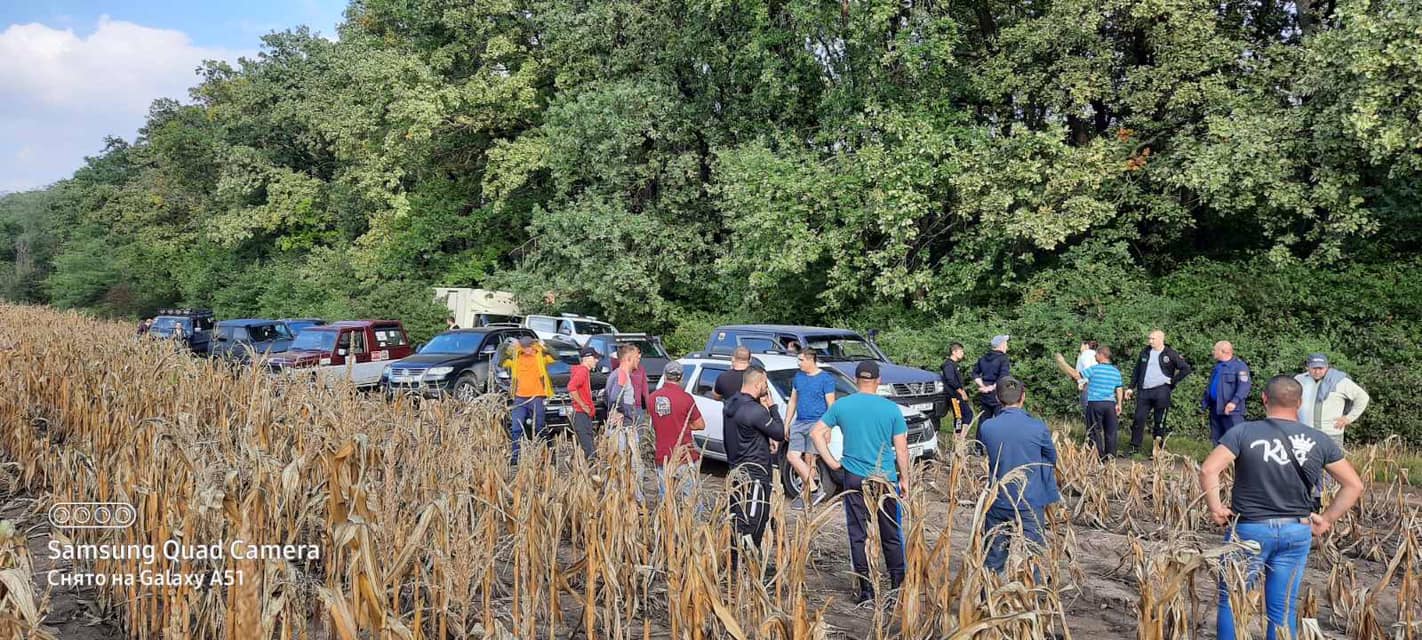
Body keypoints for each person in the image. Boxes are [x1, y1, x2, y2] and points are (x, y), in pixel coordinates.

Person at [1200, 376, 1363, 640]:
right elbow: (1353, 485)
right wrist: (1327, 519)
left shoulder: (1243, 432)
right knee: (1282, 609)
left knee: (1232, 600)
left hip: (1249, 532)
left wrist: (1216, 508)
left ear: (1264, 398)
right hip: (1295, 531)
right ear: (1299, 403)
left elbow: (1208, 469)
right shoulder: (1318, 439)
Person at [810, 361, 909, 605]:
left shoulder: (843, 405)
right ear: (879, 381)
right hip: (884, 478)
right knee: (891, 534)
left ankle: (866, 590)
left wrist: (832, 463)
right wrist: (905, 478)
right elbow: (902, 449)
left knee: (858, 533)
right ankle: (898, 587)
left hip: (853, 476)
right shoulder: (891, 409)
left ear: (856, 380)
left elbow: (815, 433)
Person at [976, 377, 1061, 573]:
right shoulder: (1038, 427)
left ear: (997, 398)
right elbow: (1050, 458)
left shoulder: (987, 427)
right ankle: (1036, 598)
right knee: (1033, 555)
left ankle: (987, 598)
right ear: (1023, 397)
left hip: (998, 500)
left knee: (994, 556)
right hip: (1030, 501)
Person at [724, 367, 785, 572]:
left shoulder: (731, 403)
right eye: (765, 385)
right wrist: (773, 407)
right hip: (755, 474)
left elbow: (748, 432)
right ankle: (747, 564)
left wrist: (764, 439)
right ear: (759, 384)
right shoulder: (756, 410)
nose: (766, 389)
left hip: (736, 470)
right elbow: (779, 432)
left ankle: (736, 561)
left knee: (737, 516)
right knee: (754, 519)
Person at [1125, 330, 1193, 455]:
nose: (1150, 341)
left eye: (1153, 339)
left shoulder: (1170, 353)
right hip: (1144, 391)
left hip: (1161, 390)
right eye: (1149, 338)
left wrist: (1172, 382)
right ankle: (1134, 448)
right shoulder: (1145, 352)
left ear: (1161, 339)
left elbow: (1185, 369)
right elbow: (1137, 371)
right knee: (1138, 419)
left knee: (1159, 421)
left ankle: (1157, 450)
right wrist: (1130, 387)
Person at [648, 361, 705, 502]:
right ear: (681, 377)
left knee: (665, 499)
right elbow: (700, 425)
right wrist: (683, 425)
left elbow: (657, 421)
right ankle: (693, 524)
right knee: (691, 500)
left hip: (663, 455)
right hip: (685, 456)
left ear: (665, 375)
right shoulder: (686, 398)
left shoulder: (652, 398)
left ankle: (665, 523)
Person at [785, 349, 836, 507]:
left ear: (810, 360)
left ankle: (806, 495)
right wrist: (787, 423)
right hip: (800, 422)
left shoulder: (825, 379)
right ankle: (814, 490)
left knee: (810, 458)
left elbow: (831, 405)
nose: (798, 363)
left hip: (817, 423)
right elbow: (793, 401)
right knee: (793, 456)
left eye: (801, 360)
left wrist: (827, 428)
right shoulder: (798, 377)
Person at [1057, 347, 1124, 460]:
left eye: (1096, 354)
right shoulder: (1115, 371)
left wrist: (1062, 363)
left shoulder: (1094, 369)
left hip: (1095, 403)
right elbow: (1119, 389)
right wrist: (1119, 404)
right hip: (1110, 405)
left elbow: (1076, 375)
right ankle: (1111, 457)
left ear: (1102, 355)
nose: (1094, 356)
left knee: (1094, 430)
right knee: (1111, 431)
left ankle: (1098, 457)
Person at [1294, 353, 1369, 450]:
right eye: (1314, 368)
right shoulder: (1299, 379)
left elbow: (1362, 397)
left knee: (1333, 464)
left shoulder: (1340, 381)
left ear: (1327, 367)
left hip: (1331, 433)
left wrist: (1349, 418)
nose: (1317, 372)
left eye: (1320, 368)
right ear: (1307, 367)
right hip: (1305, 433)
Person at [606, 344, 652, 497]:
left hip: (621, 428)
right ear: (628, 358)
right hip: (623, 429)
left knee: (624, 466)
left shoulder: (617, 373)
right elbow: (614, 397)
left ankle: (622, 498)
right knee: (633, 466)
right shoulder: (622, 374)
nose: (638, 361)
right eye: (637, 358)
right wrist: (621, 412)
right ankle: (634, 500)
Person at [501, 336, 555, 464]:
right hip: (519, 398)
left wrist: (544, 344)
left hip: (537, 397)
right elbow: (500, 361)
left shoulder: (541, 357)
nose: (528, 349)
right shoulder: (516, 359)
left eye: (529, 346)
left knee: (539, 427)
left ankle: (549, 453)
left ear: (533, 345)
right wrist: (508, 347)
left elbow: (556, 356)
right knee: (516, 428)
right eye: (525, 347)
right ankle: (515, 457)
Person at [1204, 341, 1251, 445]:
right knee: (1217, 440)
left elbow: (1244, 386)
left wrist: (1234, 402)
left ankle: (1239, 461)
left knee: (1235, 440)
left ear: (1223, 351)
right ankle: (1220, 461)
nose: (1213, 352)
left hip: (1231, 411)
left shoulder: (1240, 366)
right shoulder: (1218, 367)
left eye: (1215, 350)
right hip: (1216, 408)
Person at [567, 346, 600, 460]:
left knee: (588, 446)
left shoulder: (583, 371)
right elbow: (571, 387)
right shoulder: (583, 370)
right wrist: (583, 405)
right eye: (595, 358)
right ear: (587, 358)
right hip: (581, 414)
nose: (597, 360)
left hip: (583, 414)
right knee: (590, 450)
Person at [972, 335, 1012, 421]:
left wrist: (983, 386)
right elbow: (1003, 377)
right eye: (1006, 344)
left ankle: (981, 435)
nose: (1007, 346)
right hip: (998, 394)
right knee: (1000, 421)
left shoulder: (983, 358)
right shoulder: (1003, 359)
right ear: (1001, 345)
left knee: (983, 420)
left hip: (985, 394)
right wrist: (991, 388)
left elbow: (975, 373)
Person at [940, 342, 973, 434]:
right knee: (959, 417)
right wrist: (961, 392)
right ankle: (958, 438)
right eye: (961, 351)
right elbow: (950, 380)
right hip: (953, 397)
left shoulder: (955, 365)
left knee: (967, 415)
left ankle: (961, 436)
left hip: (958, 395)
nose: (962, 353)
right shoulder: (948, 365)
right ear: (954, 352)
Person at [1074, 340, 1098, 424]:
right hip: (1096, 386)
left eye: (1081, 345)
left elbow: (1087, 369)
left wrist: (1083, 382)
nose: (1080, 347)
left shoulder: (1085, 354)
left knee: (1087, 411)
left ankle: (1091, 434)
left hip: (1087, 385)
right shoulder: (1095, 354)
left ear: (1086, 345)